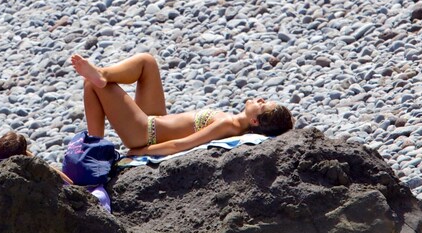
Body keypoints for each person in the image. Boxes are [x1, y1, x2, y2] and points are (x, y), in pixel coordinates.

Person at [71, 53, 294, 156]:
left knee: (92, 86)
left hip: (144, 132)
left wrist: (138, 152)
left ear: (254, 120)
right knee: (147, 62)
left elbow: (181, 145)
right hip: (153, 119)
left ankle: (94, 149)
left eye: (263, 105)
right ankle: (102, 73)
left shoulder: (229, 125)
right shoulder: (234, 122)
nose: (261, 99)